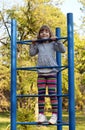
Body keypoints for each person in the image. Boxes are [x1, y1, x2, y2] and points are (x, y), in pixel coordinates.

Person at [29, 25, 66, 124]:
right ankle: (41, 115)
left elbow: (63, 50)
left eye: (46, 32)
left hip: (51, 71)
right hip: (41, 72)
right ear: (39, 35)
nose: (44, 33)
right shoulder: (39, 44)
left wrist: (57, 40)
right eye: (42, 32)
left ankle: (54, 115)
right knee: (40, 94)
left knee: (52, 93)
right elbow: (32, 53)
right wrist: (33, 44)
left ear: (50, 34)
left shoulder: (53, 43)